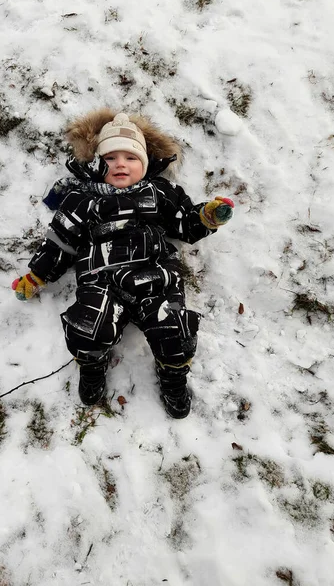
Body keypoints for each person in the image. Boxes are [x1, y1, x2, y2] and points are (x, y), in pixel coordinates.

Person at [12, 110, 234, 418]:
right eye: (111, 157)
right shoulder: (82, 199)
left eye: (130, 159)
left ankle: (173, 374)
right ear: (97, 163)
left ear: (144, 164)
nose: (120, 164)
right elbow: (60, 241)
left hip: (155, 276)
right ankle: (91, 365)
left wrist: (207, 216)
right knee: (87, 327)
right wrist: (37, 275)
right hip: (102, 279)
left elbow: (184, 223)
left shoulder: (160, 193)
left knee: (174, 328)